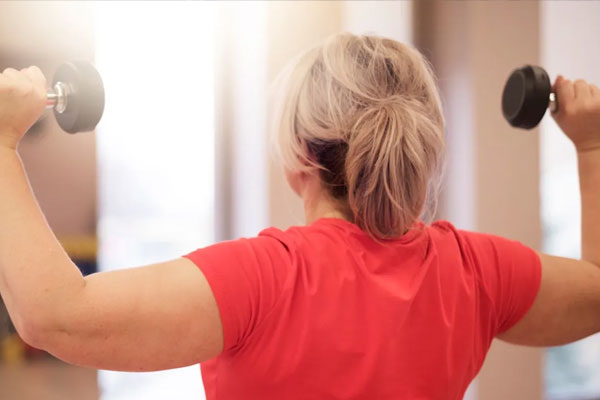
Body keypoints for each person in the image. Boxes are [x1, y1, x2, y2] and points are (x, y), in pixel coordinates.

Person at [0, 33, 599, 400]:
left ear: (299, 157)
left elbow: (54, 316)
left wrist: (2, 142)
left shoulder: (265, 281)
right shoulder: (476, 271)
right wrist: (593, 149)